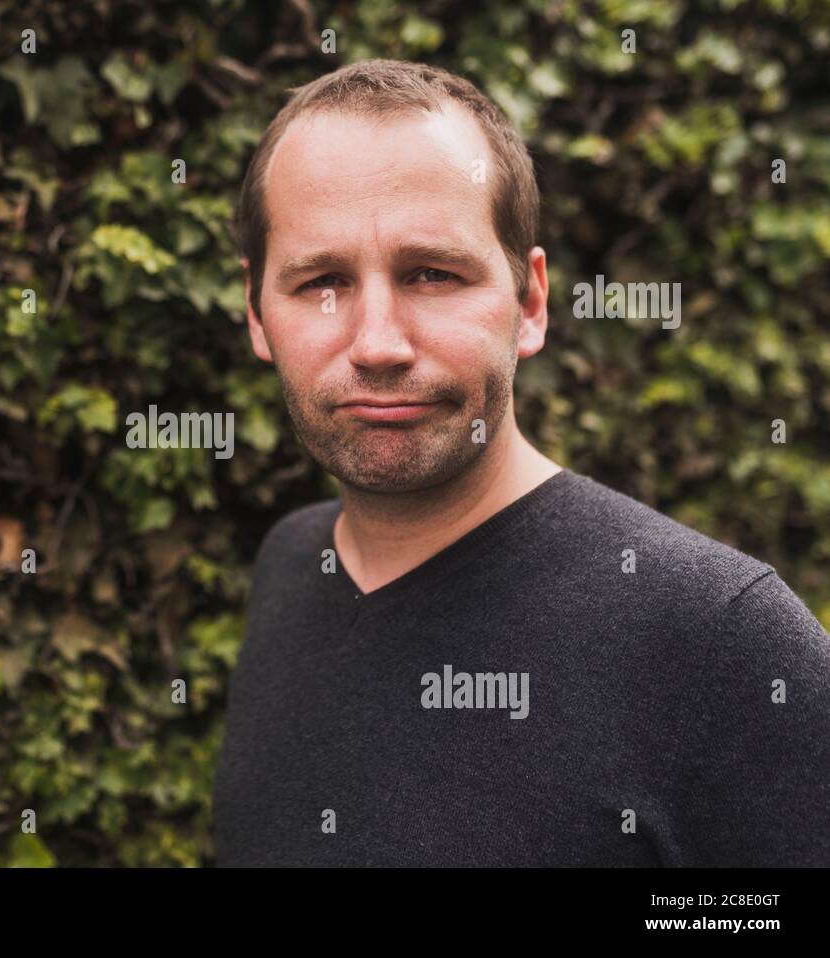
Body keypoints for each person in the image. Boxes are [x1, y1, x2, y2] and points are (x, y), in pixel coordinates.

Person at [213, 58, 830, 866]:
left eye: (432, 274)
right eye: (321, 282)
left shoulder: (721, 638)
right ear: (258, 312)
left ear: (530, 303)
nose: (377, 344)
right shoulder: (292, 566)